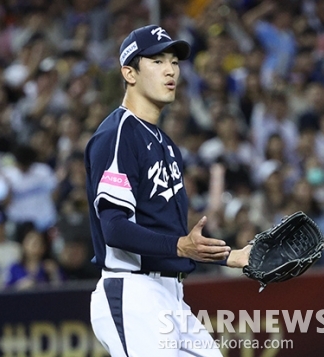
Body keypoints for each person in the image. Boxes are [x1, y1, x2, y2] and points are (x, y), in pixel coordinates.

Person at [85, 25, 251, 357]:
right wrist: (179, 245)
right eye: (157, 61)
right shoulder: (118, 134)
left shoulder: (166, 145)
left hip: (171, 296)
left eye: (174, 61)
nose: (171, 70)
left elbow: (172, 236)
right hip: (132, 291)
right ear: (129, 73)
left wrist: (230, 256)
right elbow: (114, 227)